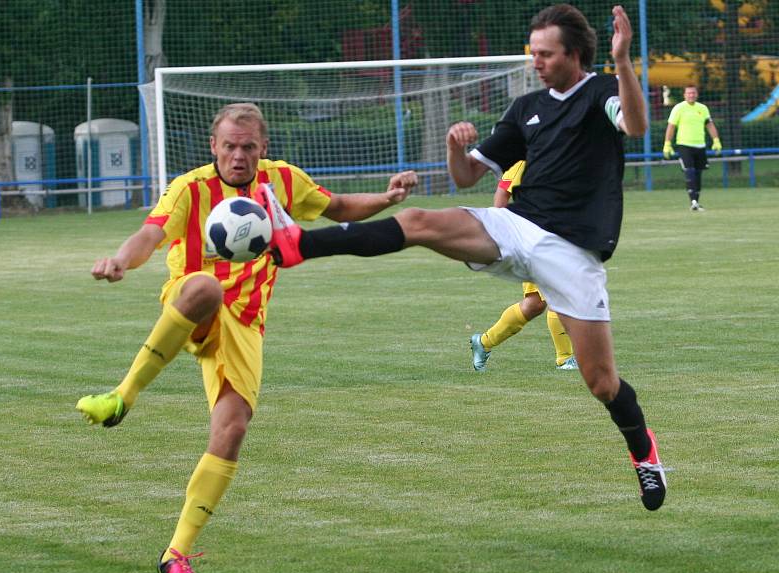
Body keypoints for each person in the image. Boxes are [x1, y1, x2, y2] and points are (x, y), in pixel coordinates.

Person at [264, 4, 667, 511]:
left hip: (573, 253)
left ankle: (644, 454)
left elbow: (635, 125)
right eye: (532, 52)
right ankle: (298, 244)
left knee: (602, 382)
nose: (536, 61)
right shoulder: (526, 107)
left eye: (545, 53)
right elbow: (466, 178)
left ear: (574, 54)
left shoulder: (602, 91)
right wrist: (457, 146)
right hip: (518, 225)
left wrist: (624, 61)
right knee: (419, 223)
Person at [75, 102, 417, 573]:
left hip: (246, 323)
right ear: (213, 146)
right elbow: (149, 233)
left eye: (248, 147)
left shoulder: (280, 181)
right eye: (229, 146)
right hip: (190, 303)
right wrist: (120, 261)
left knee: (231, 431)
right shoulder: (190, 189)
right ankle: (122, 396)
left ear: (264, 148)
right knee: (206, 288)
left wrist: (386, 198)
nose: (238, 156)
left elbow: (336, 207)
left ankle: (176, 554)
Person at [469, 160, 577, 372]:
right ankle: (565, 359)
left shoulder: (557, 155)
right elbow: (501, 197)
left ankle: (484, 342)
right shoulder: (524, 162)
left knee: (534, 304)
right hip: (533, 242)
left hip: (554, 238)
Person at [662, 85, 722, 211]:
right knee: (689, 171)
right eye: (688, 93)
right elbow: (671, 127)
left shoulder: (703, 108)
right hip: (684, 145)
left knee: (698, 174)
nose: (691, 95)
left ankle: (696, 202)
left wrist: (716, 140)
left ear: (697, 94)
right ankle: (693, 201)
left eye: (693, 93)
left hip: (700, 145)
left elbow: (709, 125)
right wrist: (667, 143)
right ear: (684, 95)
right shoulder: (678, 108)